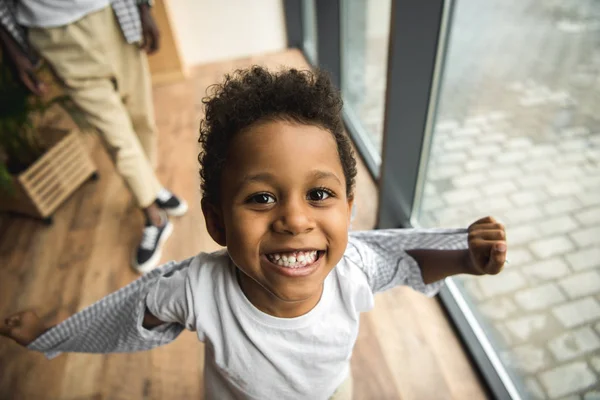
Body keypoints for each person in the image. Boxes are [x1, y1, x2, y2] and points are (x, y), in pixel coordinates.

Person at [0, 67, 508, 399]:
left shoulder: (354, 266)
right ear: (217, 222)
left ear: (349, 211)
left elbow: (409, 263)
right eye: (262, 198)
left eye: (319, 195)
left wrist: (465, 258)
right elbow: (125, 316)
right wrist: (54, 330)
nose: (294, 220)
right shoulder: (196, 290)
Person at [0, 0, 187, 273]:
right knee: (115, 135)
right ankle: (155, 217)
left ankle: (152, 187)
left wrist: (145, 8)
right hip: (51, 32)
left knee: (141, 118)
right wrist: (11, 48)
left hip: (114, 13)